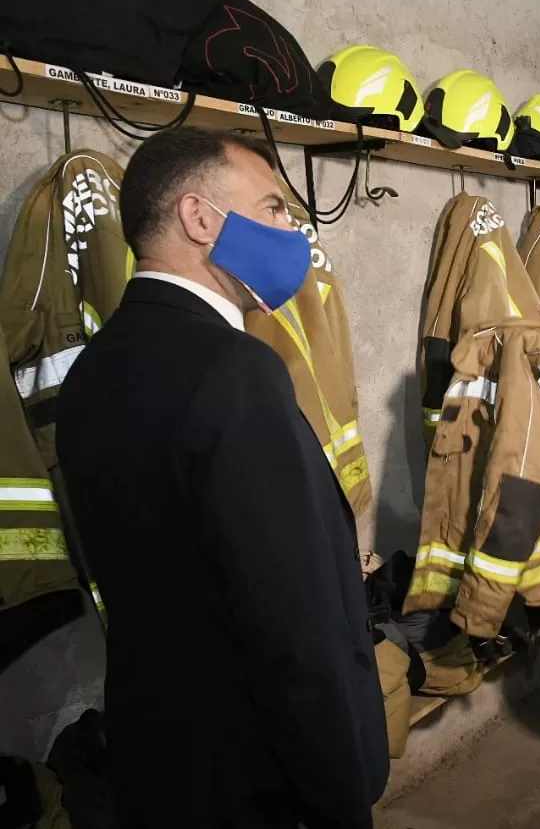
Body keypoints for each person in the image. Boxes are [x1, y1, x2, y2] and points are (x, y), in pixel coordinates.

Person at [54, 126, 389, 829]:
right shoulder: (235, 371)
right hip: (258, 777)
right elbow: (292, 630)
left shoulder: (93, 372)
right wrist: (338, 799)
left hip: (161, 758)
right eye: (273, 207)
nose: (291, 230)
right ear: (200, 218)